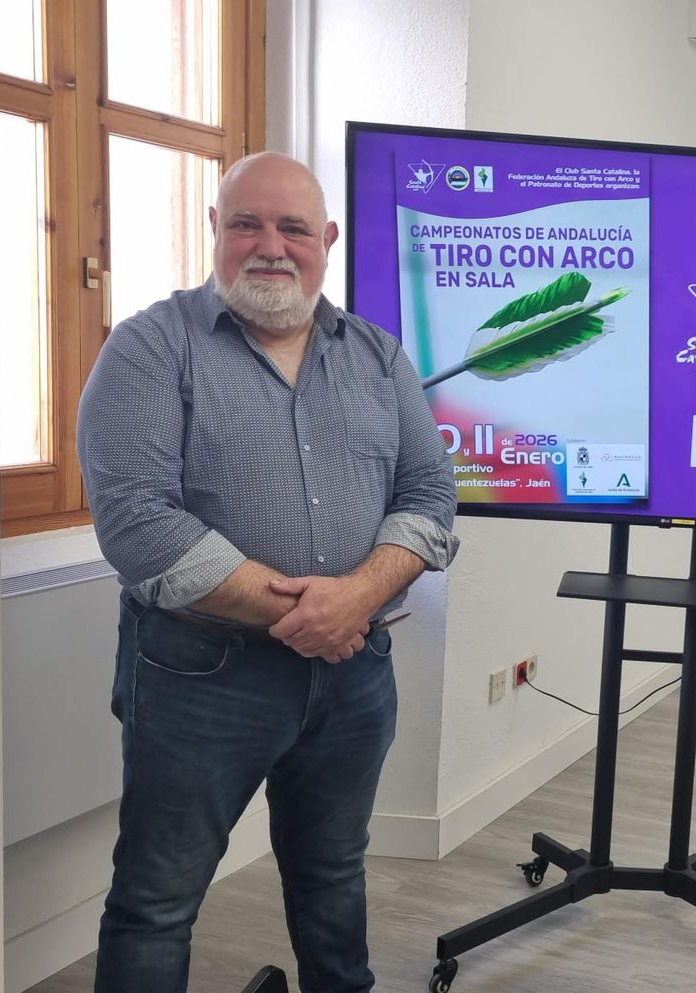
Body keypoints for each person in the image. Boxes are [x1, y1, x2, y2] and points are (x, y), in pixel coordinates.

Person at [77, 151, 459, 993]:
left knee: (333, 878)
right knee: (157, 900)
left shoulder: (377, 356)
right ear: (215, 228)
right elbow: (139, 523)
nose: (270, 246)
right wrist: (309, 610)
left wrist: (355, 598)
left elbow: (431, 491)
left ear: (326, 240)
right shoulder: (148, 349)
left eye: (293, 227)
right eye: (247, 222)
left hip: (354, 673)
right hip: (199, 675)